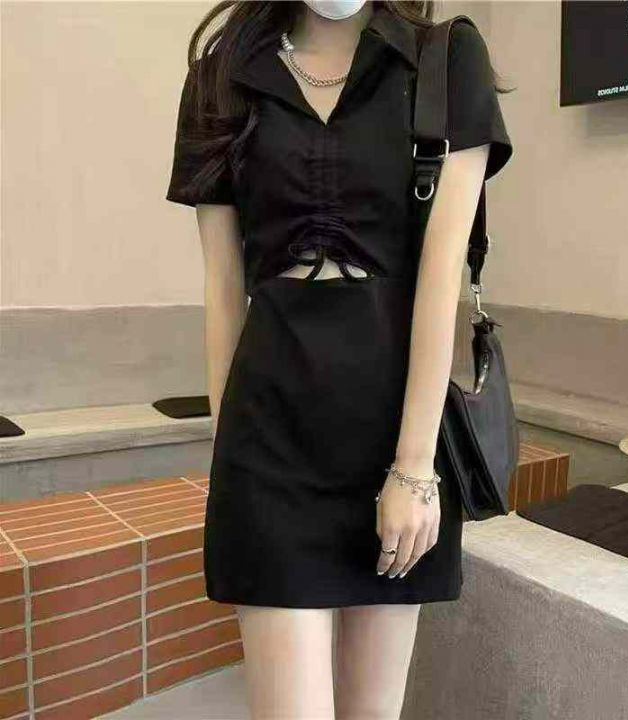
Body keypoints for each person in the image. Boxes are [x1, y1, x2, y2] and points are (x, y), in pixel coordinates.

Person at [165, 0, 513, 717]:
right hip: (270, 433)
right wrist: (229, 455)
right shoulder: (220, 78)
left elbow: (439, 277)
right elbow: (223, 288)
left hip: (395, 433)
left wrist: (414, 469)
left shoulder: (445, 60)